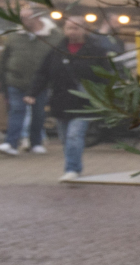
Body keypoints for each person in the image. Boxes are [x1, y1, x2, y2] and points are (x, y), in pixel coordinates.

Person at [28, 15, 117, 180]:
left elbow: (106, 75)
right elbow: (43, 74)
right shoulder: (56, 51)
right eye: (69, 28)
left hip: (84, 102)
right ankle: (74, 166)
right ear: (64, 29)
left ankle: (72, 169)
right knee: (65, 138)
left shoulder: (96, 51)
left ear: (84, 29)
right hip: (61, 101)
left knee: (74, 136)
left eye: (76, 28)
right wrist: (32, 93)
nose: (72, 31)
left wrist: (105, 95)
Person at [0, 6, 56, 156]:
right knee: (16, 111)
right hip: (16, 79)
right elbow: (3, 57)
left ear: (37, 17)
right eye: (21, 17)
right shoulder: (15, 35)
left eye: (26, 17)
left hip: (41, 83)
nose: (23, 21)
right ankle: (11, 143)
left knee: (38, 113)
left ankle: (35, 142)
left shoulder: (54, 35)